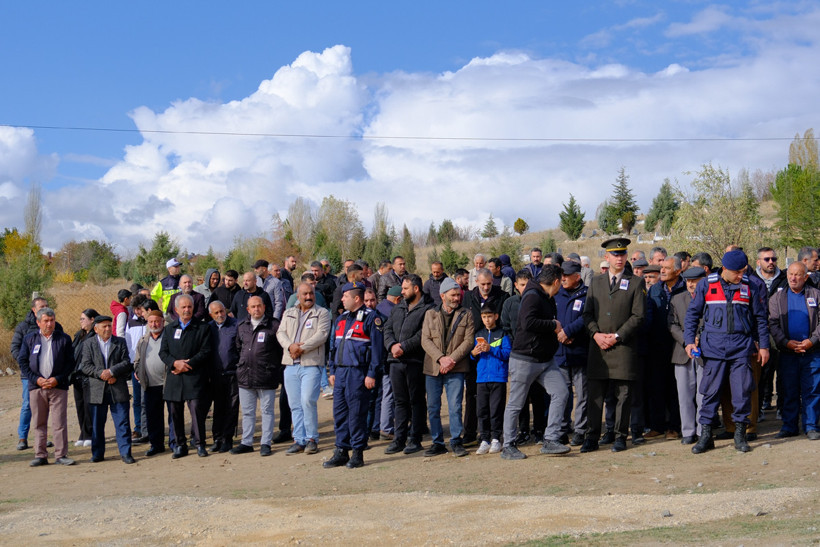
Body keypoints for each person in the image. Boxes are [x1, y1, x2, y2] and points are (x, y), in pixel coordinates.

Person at [685, 249, 769, 454]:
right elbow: (692, 315)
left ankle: (740, 435)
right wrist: (689, 341)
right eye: (736, 272)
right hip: (713, 349)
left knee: (742, 392)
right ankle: (706, 436)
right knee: (710, 392)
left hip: (741, 348)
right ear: (724, 269)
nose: (740, 276)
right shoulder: (706, 284)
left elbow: (760, 318)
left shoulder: (749, 286)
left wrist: (764, 346)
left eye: (743, 271)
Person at [581, 238, 646, 454]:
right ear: (606, 257)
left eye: (623, 254)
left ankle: (620, 436)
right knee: (595, 396)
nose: (619, 258)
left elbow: (638, 316)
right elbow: (587, 314)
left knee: (623, 396)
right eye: (615, 254)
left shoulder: (635, 282)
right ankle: (592, 437)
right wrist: (596, 334)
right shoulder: (596, 282)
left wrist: (617, 336)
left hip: (623, 347)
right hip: (599, 348)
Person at [500, 264, 571, 459]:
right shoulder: (532, 296)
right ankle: (508, 446)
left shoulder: (547, 298)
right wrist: (553, 325)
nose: (562, 285)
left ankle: (551, 439)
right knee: (516, 403)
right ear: (555, 281)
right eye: (561, 281)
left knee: (561, 392)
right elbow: (527, 322)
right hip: (525, 359)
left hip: (545, 360)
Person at [324, 282, 383, 468]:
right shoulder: (341, 319)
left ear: (356, 298)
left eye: (345, 296)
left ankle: (357, 452)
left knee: (357, 413)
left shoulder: (371, 318)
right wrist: (332, 370)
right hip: (341, 372)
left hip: (358, 372)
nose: (342, 299)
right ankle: (341, 450)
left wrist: (371, 373)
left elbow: (377, 350)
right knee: (340, 413)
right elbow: (334, 347)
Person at [421, 278, 475, 457]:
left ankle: (456, 441)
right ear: (442, 295)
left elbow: (468, 341)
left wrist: (451, 360)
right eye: (453, 295)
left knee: (455, 406)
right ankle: (437, 442)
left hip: (456, 367)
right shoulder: (430, 314)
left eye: (458, 295)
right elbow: (425, 340)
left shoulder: (466, 314)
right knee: (433, 407)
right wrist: (440, 359)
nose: (457, 298)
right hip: (433, 368)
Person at [768, 262, 820, 440]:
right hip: (788, 353)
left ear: (806, 277)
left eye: (798, 275)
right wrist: (786, 342)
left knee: (812, 390)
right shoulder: (777, 298)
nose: (793, 278)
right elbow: (773, 324)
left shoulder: (816, 295)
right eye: (790, 274)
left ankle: (811, 426)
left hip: (812, 352)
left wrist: (812, 341)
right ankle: (789, 426)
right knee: (788, 390)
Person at [278, 282, 332, 455]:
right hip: (290, 364)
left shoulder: (322, 313)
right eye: (305, 294)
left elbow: (322, 335)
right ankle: (299, 439)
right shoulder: (288, 313)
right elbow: (280, 333)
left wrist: (301, 348)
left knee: (308, 400)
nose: (308, 297)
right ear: (298, 296)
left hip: (311, 364)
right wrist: (290, 346)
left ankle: (311, 439)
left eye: (311, 293)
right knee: (294, 404)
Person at [18, 307, 76, 466]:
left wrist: (57, 379)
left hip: (58, 387)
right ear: (38, 322)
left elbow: (70, 363)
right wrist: (36, 380)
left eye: (52, 320)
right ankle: (40, 455)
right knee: (39, 422)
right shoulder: (29, 339)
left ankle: (61, 455)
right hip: (37, 388)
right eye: (46, 321)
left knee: (59, 423)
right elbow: (22, 362)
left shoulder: (64, 339)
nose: (49, 324)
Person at [383, 275, 433, 456]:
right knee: (400, 401)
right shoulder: (398, 308)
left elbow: (423, 334)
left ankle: (415, 438)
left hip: (414, 361)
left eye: (405, 288)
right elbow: (387, 329)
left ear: (416, 289)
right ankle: (399, 438)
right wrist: (392, 345)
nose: (402, 292)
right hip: (395, 361)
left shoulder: (428, 309)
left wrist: (404, 347)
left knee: (416, 400)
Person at [160, 293, 212, 458]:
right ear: (176, 309)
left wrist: (188, 365)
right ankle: (180, 445)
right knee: (175, 412)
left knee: (196, 411)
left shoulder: (203, 328)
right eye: (183, 307)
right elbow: (163, 352)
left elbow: (206, 351)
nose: (187, 310)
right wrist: (175, 363)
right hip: (175, 376)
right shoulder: (169, 329)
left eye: (189, 307)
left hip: (194, 376)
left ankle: (199, 444)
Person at [231, 296, 283, 457]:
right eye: (253, 307)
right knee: (247, 412)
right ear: (248, 309)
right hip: (245, 375)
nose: (256, 309)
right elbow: (238, 348)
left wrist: (273, 367)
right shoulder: (242, 326)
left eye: (259, 306)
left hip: (266, 375)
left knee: (267, 411)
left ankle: (265, 443)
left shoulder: (274, 325)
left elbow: (280, 350)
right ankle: (246, 442)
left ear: (264, 307)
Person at [462, 268, 509, 444]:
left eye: (489, 283)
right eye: (483, 284)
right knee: (473, 396)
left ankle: (495, 435)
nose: (486, 287)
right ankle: (471, 433)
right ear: (476, 282)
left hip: (495, 349)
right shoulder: (468, 297)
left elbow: (504, 323)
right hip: (474, 347)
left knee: (495, 403)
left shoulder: (502, 296)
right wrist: (472, 351)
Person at [80, 316, 135, 464]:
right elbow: (85, 366)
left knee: (122, 422)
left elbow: (126, 362)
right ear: (96, 329)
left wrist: (112, 372)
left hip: (117, 388)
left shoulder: (120, 342)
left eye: (109, 326)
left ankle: (125, 453)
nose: (107, 329)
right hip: (97, 390)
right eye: (104, 326)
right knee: (97, 424)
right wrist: (102, 374)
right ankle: (97, 454)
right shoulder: (88, 344)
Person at [644, 256, 686, 440]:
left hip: (679, 345)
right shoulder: (655, 289)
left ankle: (674, 427)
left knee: (675, 388)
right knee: (656, 386)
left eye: (667, 268)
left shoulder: (685, 288)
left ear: (678, 271)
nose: (662, 271)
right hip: (657, 345)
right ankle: (657, 426)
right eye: (661, 268)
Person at [668, 266, 707, 445]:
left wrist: (700, 338)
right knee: (684, 395)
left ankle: (702, 430)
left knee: (703, 395)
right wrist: (688, 341)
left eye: (695, 281)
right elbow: (672, 324)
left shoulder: (711, 298)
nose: (691, 284)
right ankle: (688, 431)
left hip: (705, 352)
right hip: (682, 352)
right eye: (688, 281)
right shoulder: (677, 299)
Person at [554, 261, 589, 447]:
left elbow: (587, 317)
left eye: (567, 275)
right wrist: (559, 333)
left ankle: (581, 430)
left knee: (582, 395)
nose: (563, 279)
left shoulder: (587, 294)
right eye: (562, 275)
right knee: (562, 394)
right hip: (560, 353)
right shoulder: (556, 293)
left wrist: (570, 332)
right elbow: (549, 317)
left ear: (577, 276)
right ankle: (562, 429)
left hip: (579, 353)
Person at [11, 296, 51, 451]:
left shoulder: (53, 325)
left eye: (46, 306)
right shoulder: (23, 327)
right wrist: (27, 364)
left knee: (45, 405)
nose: (45, 308)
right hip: (29, 375)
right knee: (28, 404)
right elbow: (15, 348)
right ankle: (23, 437)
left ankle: (42, 438)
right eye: (41, 306)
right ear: (34, 310)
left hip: (48, 374)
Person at [133, 310, 174, 456]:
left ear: (163, 322)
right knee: (153, 416)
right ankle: (156, 445)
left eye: (156, 321)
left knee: (173, 415)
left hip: (168, 383)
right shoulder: (143, 340)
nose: (154, 324)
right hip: (150, 385)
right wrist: (138, 371)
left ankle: (175, 443)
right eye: (151, 322)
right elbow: (137, 360)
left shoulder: (169, 336)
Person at [472, 307, 510, 455]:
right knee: (482, 410)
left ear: (496, 316)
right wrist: (473, 353)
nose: (487, 320)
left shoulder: (502, 333)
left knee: (496, 410)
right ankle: (484, 439)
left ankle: (496, 439)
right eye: (484, 317)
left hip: (498, 377)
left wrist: (491, 349)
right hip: (481, 378)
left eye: (489, 316)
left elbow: (507, 353)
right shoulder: (478, 334)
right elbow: (472, 357)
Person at [207, 301, 239, 453]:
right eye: (216, 313)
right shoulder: (209, 328)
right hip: (215, 374)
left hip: (232, 373)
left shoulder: (236, 325)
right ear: (211, 315)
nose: (220, 315)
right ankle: (217, 438)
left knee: (231, 407)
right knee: (218, 407)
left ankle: (227, 439)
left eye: (222, 311)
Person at [70, 308, 98, 447]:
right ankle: (83, 433)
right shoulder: (79, 335)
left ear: (92, 320)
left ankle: (89, 434)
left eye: (83, 319)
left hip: (89, 376)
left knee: (88, 406)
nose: (80, 321)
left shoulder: (95, 336)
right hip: (77, 376)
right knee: (80, 405)